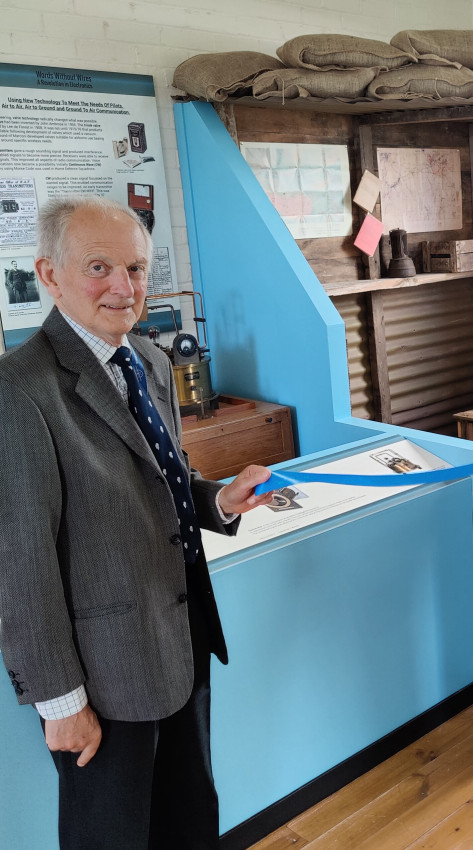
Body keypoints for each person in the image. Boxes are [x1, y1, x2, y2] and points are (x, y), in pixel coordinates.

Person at [0, 197, 276, 849]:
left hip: (181, 638)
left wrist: (218, 503)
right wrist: (60, 702)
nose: (124, 289)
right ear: (49, 274)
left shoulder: (148, 360)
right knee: (113, 834)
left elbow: (162, 483)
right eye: (100, 267)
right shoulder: (20, 391)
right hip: (103, 676)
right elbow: (19, 564)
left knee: (187, 816)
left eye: (136, 268)